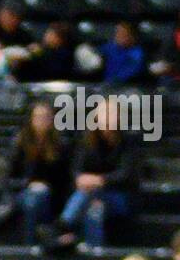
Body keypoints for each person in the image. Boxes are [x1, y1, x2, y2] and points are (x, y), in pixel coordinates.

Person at [47, 95, 142, 251]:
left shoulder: (129, 139)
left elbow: (126, 175)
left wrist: (99, 180)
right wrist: (84, 180)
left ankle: (63, 224)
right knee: (95, 208)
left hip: (121, 197)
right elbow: (76, 171)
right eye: (104, 112)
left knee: (92, 196)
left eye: (111, 112)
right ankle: (94, 254)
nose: (107, 117)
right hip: (91, 195)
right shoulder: (87, 139)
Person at [0, 100, 72, 244]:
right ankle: (34, 243)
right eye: (38, 117)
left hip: (52, 197)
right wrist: (30, 185)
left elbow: (65, 180)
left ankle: (32, 244)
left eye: (46, 117)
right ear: (31, 119)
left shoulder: (61, 145)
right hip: (21, 194)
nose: (42, 121)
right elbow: (9, 180)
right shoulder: (19, 144)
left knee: (37, 199)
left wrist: (46, 186)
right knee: (33, 199)